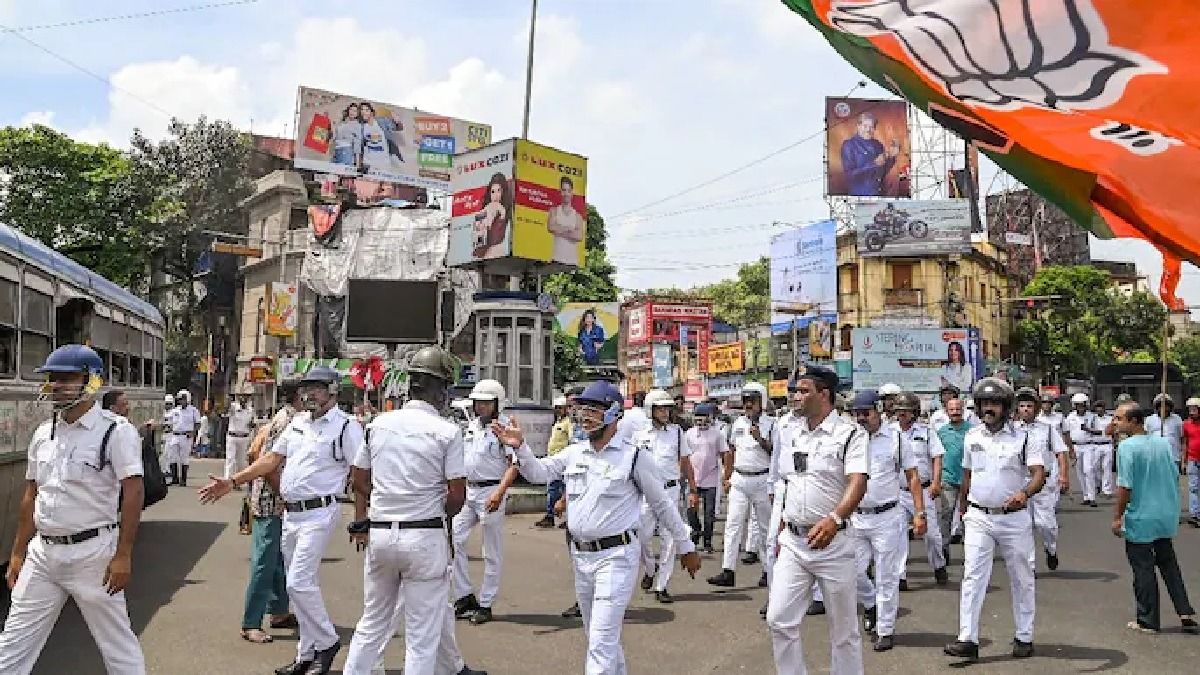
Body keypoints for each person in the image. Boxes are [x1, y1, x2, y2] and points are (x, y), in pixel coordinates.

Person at [502, 380, 700, 673]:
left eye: (594, 410)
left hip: (616, 557)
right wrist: (522, 448)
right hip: (581, 558)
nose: (584, 416)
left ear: (614, 413)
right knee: (597, 637)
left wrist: (686, 546)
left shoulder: (634, 456)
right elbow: (538, 473)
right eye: (582, 409)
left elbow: (662, 504)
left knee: (601, 642)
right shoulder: (575, 452)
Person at [199, 366, 364, 675]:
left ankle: (327, 642)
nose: (310, 393)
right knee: (301, 583)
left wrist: (362, 519)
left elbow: (361, 475)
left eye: (317, 387)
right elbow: (271, 459)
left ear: (332, 391)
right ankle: (305, 656)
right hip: (290, 514)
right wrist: (232, 481)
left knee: (298, 582)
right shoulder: (298, 423)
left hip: (319, 512)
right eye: (307, 388)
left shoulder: (346, 427)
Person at [0, 345, 146, 674]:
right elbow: (31, 495)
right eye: (53, 378)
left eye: (67, 378)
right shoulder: (43, 432)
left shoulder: (115, 431)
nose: (57, 385)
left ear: (92, 382)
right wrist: (18, 551)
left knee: (117, 646)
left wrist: (124, 553)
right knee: (12, 643)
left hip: (93, 555)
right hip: (43, 554)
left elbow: (133, 491)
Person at [341, 347, 487, 675]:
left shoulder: (379, 424)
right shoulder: (448, 431)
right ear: (440, 389)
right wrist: (437, 515)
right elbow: (457, 495)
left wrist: (383, 501)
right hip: (423, 536)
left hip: (381, 534)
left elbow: (359, 480)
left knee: (371, 625)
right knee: (421, 638)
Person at [766, 366, 869, 674]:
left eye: (803, 390)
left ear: (824, 394)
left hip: (834, 544)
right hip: (795, 543)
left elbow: (858, 481)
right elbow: (789, 481)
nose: (795, 396)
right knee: (779, 619)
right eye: (795, 391)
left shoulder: (850, 433)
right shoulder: (789, 430)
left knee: (844, 630)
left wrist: (836, 518)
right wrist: (783, 524)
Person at [944, 377, 1046, 663]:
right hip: (978, 516)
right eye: (984, 403)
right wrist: (962, 512)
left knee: (1021, 578)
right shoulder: (972, 436)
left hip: (1014, 519)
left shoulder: (1025, 437)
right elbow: (967, 475)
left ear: (1006, 406)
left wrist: (1024, 494)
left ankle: (1024, 635)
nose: (989, 408)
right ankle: (968, 639)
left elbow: (1038, 474)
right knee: (972, 576)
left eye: (995, 404)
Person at [1111, 400, 1199, 635]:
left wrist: (1117, 516)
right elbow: (1172, 476)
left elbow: (1125, 486)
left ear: (1134, 421)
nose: (1115, 423)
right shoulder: (1162, 443)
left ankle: (1147, 620)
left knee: (1143, 569)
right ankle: (1185, 610)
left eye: (1119, 418)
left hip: (1141, 516)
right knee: (1169, 564)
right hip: (1164, 513)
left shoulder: (1127, 448)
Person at [850, 390, 924, 651]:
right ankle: (870, 604)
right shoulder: (850, 438)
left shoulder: (896, 438)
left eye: (865, 413)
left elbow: (913, 476)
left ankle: (885, 629)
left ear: (879, 410)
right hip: (856, 518)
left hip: (887, 517)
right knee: (854, 573)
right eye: (857, 413)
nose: (861, 418)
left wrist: (919, 512)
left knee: (887, 576)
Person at [451, 379, 521, 626]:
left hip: (491, 491)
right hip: (470, 492)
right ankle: (464, 595)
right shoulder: (471, 426)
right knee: (453, 538)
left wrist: (499, 493)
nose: (481, 406)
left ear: (497, 403)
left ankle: (486, 603)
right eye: (478, 402)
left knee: (490, 550)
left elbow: (515, 464)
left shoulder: (504, 428)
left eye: (486, 402)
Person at [240, 381, 301, 645]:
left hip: (274, 498)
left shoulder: (289, 418)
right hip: (271, 500)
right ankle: (251, 623)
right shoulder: (287, 422)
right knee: (264, 562)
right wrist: (285, 495)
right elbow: (269, 465)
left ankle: (278, 611)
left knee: (277, 559)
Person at [708, 382, 776, 588]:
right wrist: (727, 477)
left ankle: (768, 569)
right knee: (733, 525)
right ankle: (728, 570)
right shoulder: (737, 423)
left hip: (762, 478)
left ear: (761, 402)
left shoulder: (772, 424)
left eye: (752, 401)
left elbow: (775, 453)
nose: (748, 405)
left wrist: (761, 439)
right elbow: (731, 452)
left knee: (765, 529)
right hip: (739, 478)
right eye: (745, 400)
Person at [635, 390, 696, 604]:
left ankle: (662, 585)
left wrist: (693, 490)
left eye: (667, 408)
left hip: (670, 490)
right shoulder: (640, 434)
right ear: (650, 410)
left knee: (669, 539)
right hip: (646, 492)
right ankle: (651, 568)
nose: (664, 412)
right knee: (641, 536)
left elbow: (685, 462)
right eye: (660, 408)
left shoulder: (677, 432)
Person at [892, 391, 947, 588]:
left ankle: (939, 565)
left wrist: (936, 482)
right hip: (898, 492)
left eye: (906, 411)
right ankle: (900, 576)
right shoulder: (890, 432)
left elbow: (937, 458)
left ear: (914, 412)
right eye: (899, 410)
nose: (902, 414)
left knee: (931, 534)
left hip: (923, 491)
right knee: (898, 535)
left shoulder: (926, 432)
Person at [1013, 388, 1070, 572]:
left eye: (1029, 406)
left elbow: (1061, 453)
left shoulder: (1047, 429)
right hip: (1020, 481)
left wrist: (1063, 475)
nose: (1026, 409)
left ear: (1036, 408)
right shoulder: (1011, 430)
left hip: (1043, 483)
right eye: (1022, 406)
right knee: (1024, 526)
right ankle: (1029, 566)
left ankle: (1051, 549)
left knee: (1045, 524)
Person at [686, 403, 726, 554]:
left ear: (710, 418)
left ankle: (707, 541)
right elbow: (684, 455)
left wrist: (725, 474)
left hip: (710, 478)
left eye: (703, 417)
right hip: (693, 478)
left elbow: (724, 453)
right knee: (691, 510)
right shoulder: (689, 434)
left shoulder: (717, 434)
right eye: (697, 417)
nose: (700, 420)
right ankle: (696, 531)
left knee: (709, 513)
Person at [936, 397, 972, 555]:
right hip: (948, 479)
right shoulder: (941, 432)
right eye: (952, 410)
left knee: (970, 516)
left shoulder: (973, 430)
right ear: (947, 411)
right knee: (946, 514)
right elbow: (936, 457)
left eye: (958, 409)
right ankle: (943, 549)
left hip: (969, 479)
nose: (955, 412)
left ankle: (971, 549)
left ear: (962, 409)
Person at [839, 111, 898, 196]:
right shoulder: (849, 145)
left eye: (871, 127)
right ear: (858, 126)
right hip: (859, 197)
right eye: (865, 126)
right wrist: (873, 164)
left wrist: (892, 157)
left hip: (879, 195)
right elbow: (849, 175)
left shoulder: (878, 144)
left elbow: (883, 172)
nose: (868, 130)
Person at [537, 395, 573, 528]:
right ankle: (550, 515)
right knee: (553, 489)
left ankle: (561, 517)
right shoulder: (558, 422)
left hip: (562, 462)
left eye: (560, 408)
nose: (558, 410)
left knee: (563, 490)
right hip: (553, 459)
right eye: (556, 408)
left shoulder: (568, 423)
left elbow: (571, 440)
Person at [1065, 392, 1102, 507]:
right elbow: (1067, 434)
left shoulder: (1092, 417)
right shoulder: (1070, 417)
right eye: (1077, 405)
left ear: (1086, 405)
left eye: (1082, 405)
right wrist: (1070, 450)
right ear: (1074, 405)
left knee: (1089, 470)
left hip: (1088, 445)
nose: (1080, 407)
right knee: (1080, 472)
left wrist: (1088, 429)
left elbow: (1099, 431)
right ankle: (1085, 496)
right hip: (1076, 446)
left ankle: (1092, 497)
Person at [472, 173, 511, 259]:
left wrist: (502, 214)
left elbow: (497, 239)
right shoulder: (486, 209)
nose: (496, 195)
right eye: (493, 191)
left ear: (503, 192)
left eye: (499, 191)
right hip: (484, 254)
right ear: (489, 192)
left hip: (497, 252)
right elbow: (478, 235)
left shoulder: (504, 210)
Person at [548, 176, 586, 264]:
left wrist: (559, 230)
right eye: (564, 190)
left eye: (569, 191)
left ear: (572, 193)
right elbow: (551, 227)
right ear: (560, 191)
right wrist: (569, 229)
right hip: (556, 259)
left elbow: (579, 236)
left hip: (572, 262)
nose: (566, 194)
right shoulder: (554, 211)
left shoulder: (578, 216)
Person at [166, 389, 200, 486]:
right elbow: (169, 422)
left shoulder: (193, 410)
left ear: (187, 399)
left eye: (183, 399)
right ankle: (174, 478)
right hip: (175, 435)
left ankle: (183, 479)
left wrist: (193, 432)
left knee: (184, 458)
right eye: (180, 399)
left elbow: (198, 423)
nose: (181, 401)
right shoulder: (175, 410)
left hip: (186, 436)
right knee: (172, 456)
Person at [1146, 393, 1185, 466]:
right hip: (1155, 457)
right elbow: (1146, 438)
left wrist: (1182, 459)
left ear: (1170, 407)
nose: (1164, 408)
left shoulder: (1177, 419)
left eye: (1166, 406)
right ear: (1157, 407)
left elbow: (1182, 439)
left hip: (1173, 457)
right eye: (1161, 406)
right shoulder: (1149, 419)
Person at [226, 394, 256, 482]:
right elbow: (227, 409)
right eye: (242, 397)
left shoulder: (250, 410)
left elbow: (252, 423)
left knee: (241, 461)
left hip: (244, 437)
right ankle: (228, 480)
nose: (244, 399)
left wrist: (252, 425)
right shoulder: (233, 407)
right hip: (232, 436)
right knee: (230, 459)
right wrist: (228, 401)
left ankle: (238, 481)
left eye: (246, 397)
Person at [358, 102, 391, 174]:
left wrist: (397, 122)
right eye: (362, 110)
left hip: (383, 163)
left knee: (385, 184)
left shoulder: (381, 121)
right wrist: (361, 163)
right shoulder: (361, 127)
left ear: (372, 112)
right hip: (368, 163)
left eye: (366, 110)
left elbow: (398, 127)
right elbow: (361, 147)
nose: (364, 112)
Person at [1183, 397, 1200, 528]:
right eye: (1190, 409)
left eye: (1194, 409)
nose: (1192, 412)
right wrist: (1184, 460)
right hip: (1192, 460)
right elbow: (1185, 443)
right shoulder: (1186, 424)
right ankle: (1195, 514)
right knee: (1193, 488)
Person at [332, 103, 362, 167]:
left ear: (358, 114)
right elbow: (335, 137)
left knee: (342, 173)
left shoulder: (357, 125)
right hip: (336, 150)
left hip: (346, 150)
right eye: (351, 109)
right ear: (348, 110)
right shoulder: (342, 123)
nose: (352, 112)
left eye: (355, 111)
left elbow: (357, 144)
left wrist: (357, 164)